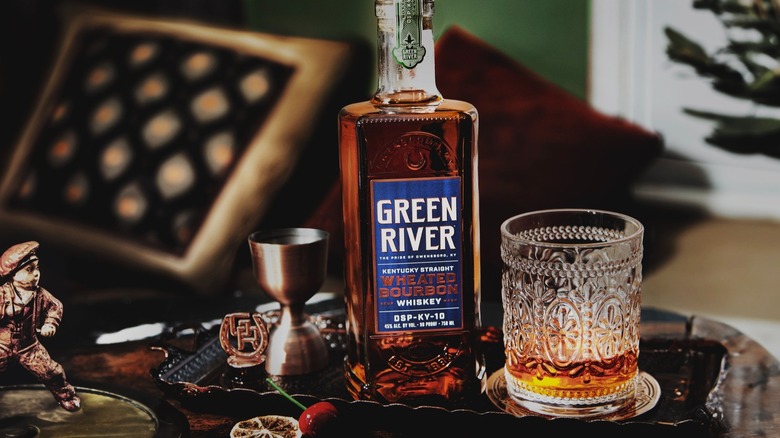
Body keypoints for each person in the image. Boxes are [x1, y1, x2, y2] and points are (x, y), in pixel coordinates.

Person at [0, 241, 81, 412]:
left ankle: (67, 396)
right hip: (2, 344)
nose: (36, 274)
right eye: (29, 270)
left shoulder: (41, 295)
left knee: (52, 372)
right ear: (13, 274)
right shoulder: (2, 294)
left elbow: (55, 306)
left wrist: (50, 323)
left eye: (36, 268)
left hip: (28, 346)